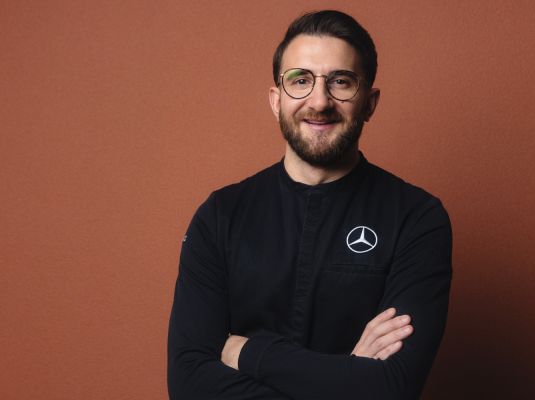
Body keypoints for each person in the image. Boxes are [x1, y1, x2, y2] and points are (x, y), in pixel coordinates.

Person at [168, 10, 452, 400]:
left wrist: (248, 352)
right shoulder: (221, 215)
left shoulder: (416, 219)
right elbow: (189, 385)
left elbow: (391, 387)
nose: (319, 101)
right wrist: (349, 376)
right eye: (300, 80)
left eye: (341, 81)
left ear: (369, 103)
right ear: (276, 100)